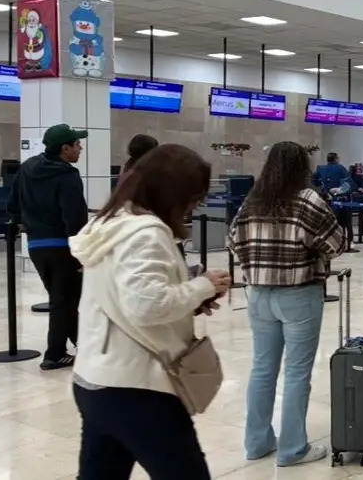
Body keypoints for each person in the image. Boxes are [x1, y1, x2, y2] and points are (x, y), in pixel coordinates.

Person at [69, 144, 232, 479]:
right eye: (194, 196)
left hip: (94, 379)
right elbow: (146, 305)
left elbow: (126, 296)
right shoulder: (147, 232)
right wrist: (201, 286)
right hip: (138, 388)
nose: (195, 205)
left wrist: (190, 299)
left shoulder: (110, 223)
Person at [228, 141, 346, 467]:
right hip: (298, 295)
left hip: (258, 295)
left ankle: (257, 442)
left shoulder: (252, 201)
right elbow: (336, 244)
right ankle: (293, 449)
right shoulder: (308, 200)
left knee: (262, 370)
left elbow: (232, 241)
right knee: (296, 374)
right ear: (302, 167)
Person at [6, 123, 90, 370]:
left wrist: (21, 223)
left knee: (64, 298)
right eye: (76, 144)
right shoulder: (67, 175)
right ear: (65, 148)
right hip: (63, 247)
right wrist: (81, 252)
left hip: (36, 246)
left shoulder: (27, 168)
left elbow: (13, 204)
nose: (80, 147)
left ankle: (83, 345)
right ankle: (54, 354)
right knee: (64, 300)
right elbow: (74, 217)